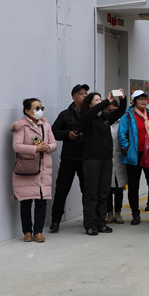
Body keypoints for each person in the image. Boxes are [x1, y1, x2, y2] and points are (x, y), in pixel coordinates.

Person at [79, 89, 127, 236]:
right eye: (97, 100)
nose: (100, 102)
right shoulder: (86, 117)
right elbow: (91, 114)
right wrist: (106, 101)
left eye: (101, 99)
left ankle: (101, 222)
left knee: (103, 193)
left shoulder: (104, 117)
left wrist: (123, 99)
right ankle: (90, 224)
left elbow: (119, 112)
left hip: (106, 159)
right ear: (89, 104)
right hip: (92, 160)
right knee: (91, 193)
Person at [12, 98, 58, 243]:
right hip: (27, 168)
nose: (40, 111)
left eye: (41, 108)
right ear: (27, 111)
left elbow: (53, 144)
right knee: (26, 201)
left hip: (43, 167)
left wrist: (48, 147)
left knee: (42, 200)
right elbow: (17, 146)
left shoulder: (45, 125)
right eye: (36, 108)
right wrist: (36, 148)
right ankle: (27, 231)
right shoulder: (21, 126)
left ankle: (38, 231)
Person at [49, 83, 89, 233]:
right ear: (73, 97)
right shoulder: (65, 114)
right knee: (62, 189)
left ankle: (89, 219)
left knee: (87, 190)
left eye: (86, 93)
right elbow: (54, 132)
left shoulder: (90, 113)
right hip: (69, 157)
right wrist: (68, 134)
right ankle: (55, 220)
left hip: (86, 157)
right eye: (81, 93)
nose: (84, 96)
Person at [118, 90, 149, 225]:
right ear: (134, 101)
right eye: (140, 99)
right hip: (134, 154)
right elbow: (122, 134)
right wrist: (127, 149)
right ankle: (135, 213)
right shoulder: (128, 116)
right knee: (133, 185)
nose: (143, 101)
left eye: (145, 99)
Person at [106, 100, 127, 225]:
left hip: (120, 159)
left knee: (119, 187)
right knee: (108, 188)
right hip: (107, 159)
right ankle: (109, 212)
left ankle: (118, 212)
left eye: (114, 110)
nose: (111, 113)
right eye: (109, 110)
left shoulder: (122, 122)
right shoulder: (104, 122)